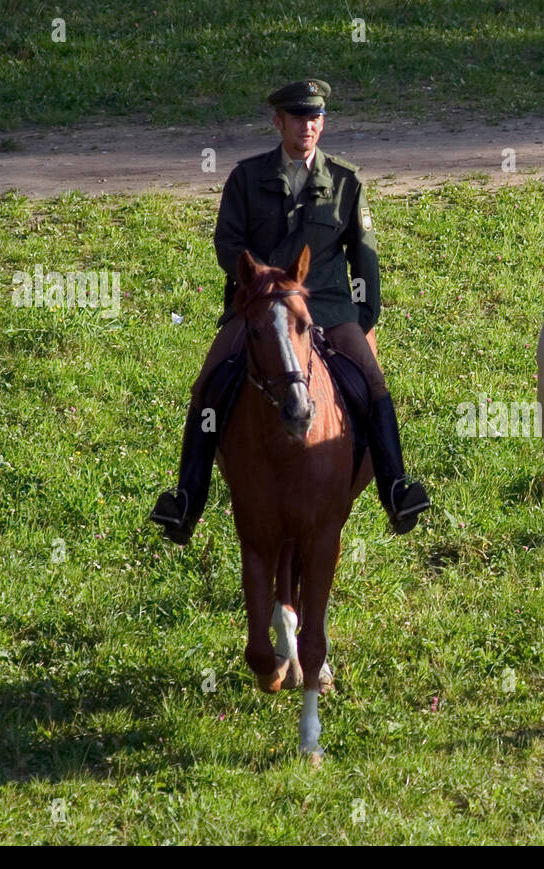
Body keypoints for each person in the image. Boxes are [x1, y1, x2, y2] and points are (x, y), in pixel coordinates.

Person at [151, 78, 430, 543]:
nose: (309, 126)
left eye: (316, 117)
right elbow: (228, 244)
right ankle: (186, 500)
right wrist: (256, 285)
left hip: (327, 307)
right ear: (279, 121)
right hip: (259, 309)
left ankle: (396, 488)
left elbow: (364, 259)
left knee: (374, 384)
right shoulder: (245, 177)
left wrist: (360, 320)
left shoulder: (346, 181)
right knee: (207, 385)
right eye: (299, 117)